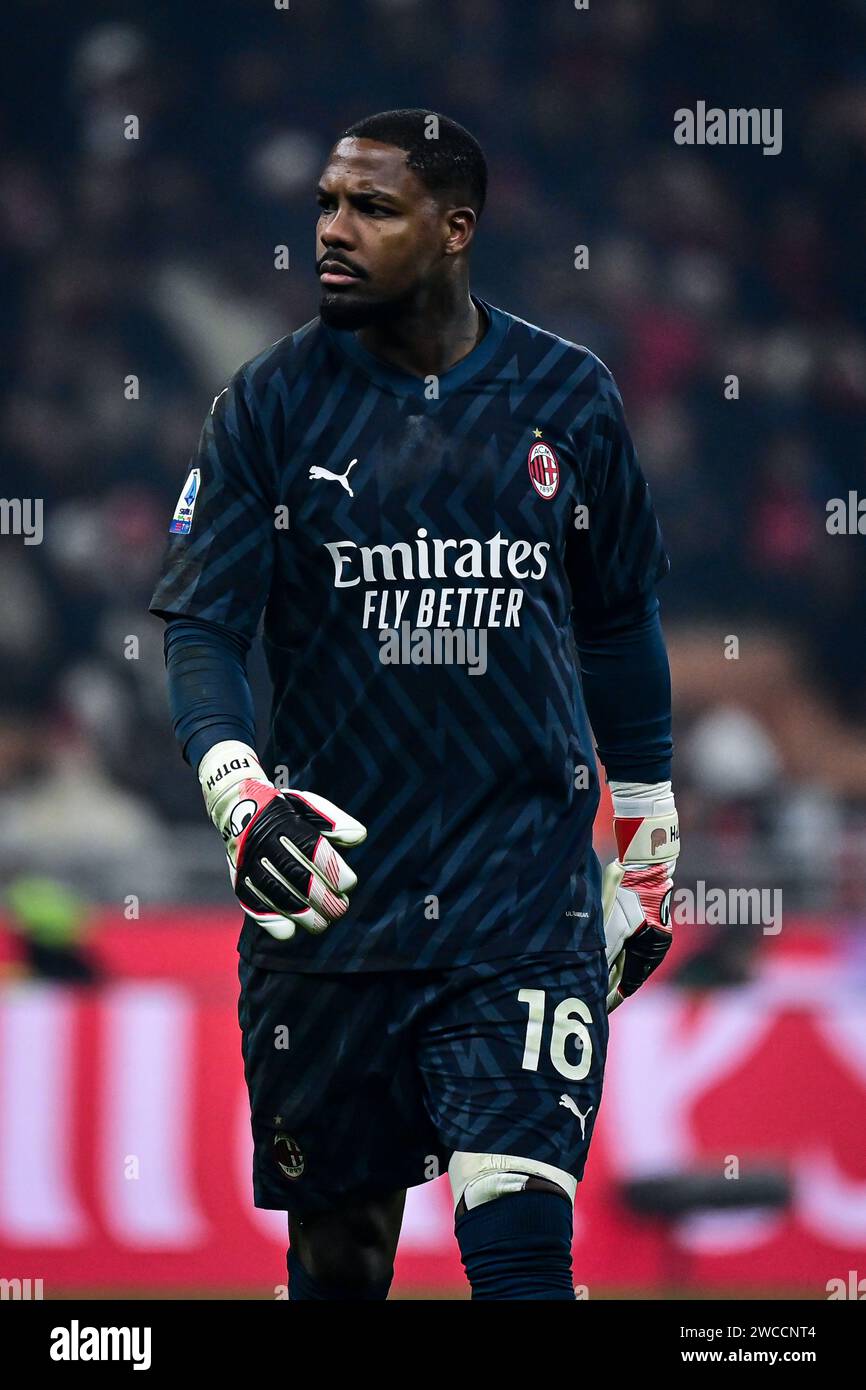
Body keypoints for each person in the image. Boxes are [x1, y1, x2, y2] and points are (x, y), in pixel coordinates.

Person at [149, 109, 678, 1301]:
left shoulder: (566, 397)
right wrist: (241, 796)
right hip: (329, 903)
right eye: (326, 205)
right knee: (338, 1268)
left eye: (369, 209)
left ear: (453, 231)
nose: (331, 232)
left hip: (518, 896)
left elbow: (617, 617)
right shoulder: (266, 407)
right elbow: (203, 625)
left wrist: (642, 816)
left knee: (521, 1245)